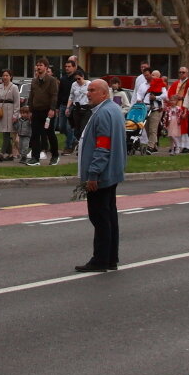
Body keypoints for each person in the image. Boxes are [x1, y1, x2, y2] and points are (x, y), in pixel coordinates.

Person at [75, 79, 127, 274]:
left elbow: (102, 147)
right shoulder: (114, 110)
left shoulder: (103, 113)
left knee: (99, 217)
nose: (88, 93)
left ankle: (100, 259)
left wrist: (93, 174)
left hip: (102, 175)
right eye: (88, 90)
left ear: (104, 93)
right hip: (112, 172)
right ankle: (111, 258)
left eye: (92, 90)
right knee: (109, 216)